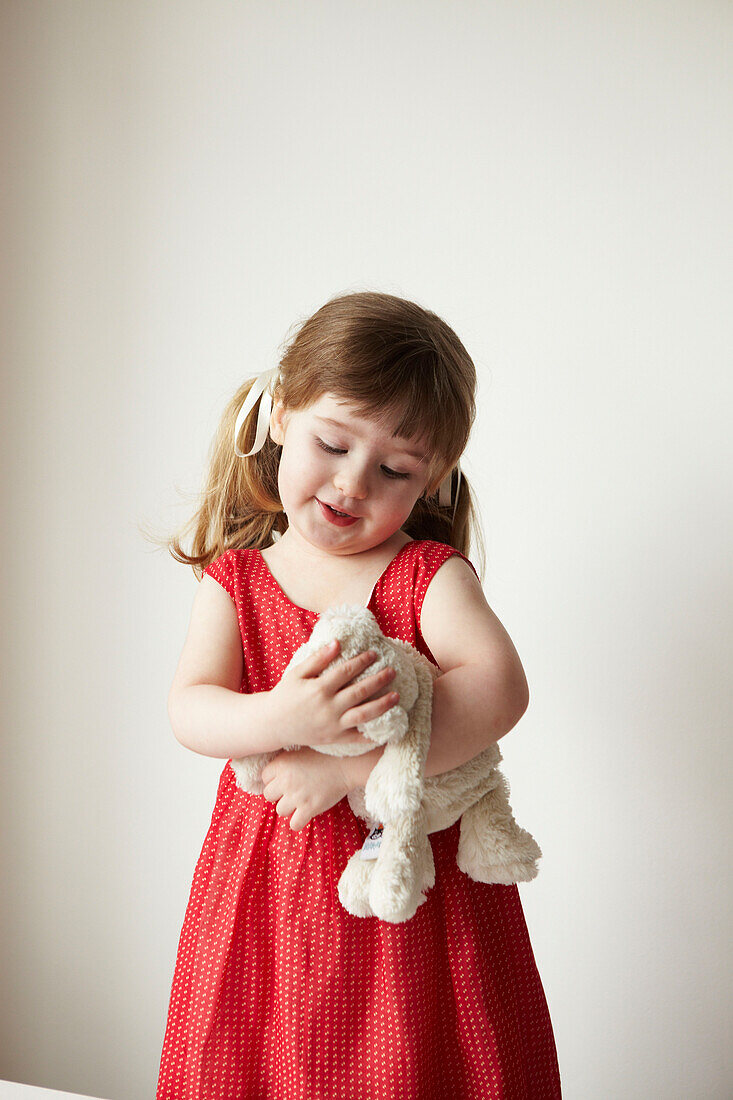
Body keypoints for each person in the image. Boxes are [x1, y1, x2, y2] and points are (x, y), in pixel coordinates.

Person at [154, 290, 561, 1098]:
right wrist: (282, 718)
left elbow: (498, 689)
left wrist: (351, 771)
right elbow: (191, 705)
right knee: (258, 1047)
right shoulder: (236, 581)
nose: (351, 482)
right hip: (265, 879)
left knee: (414, 1052)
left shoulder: (427, 577)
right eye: (331, 444)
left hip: (408, 886)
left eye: (393, 470)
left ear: (433, 481)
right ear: (279, 416)